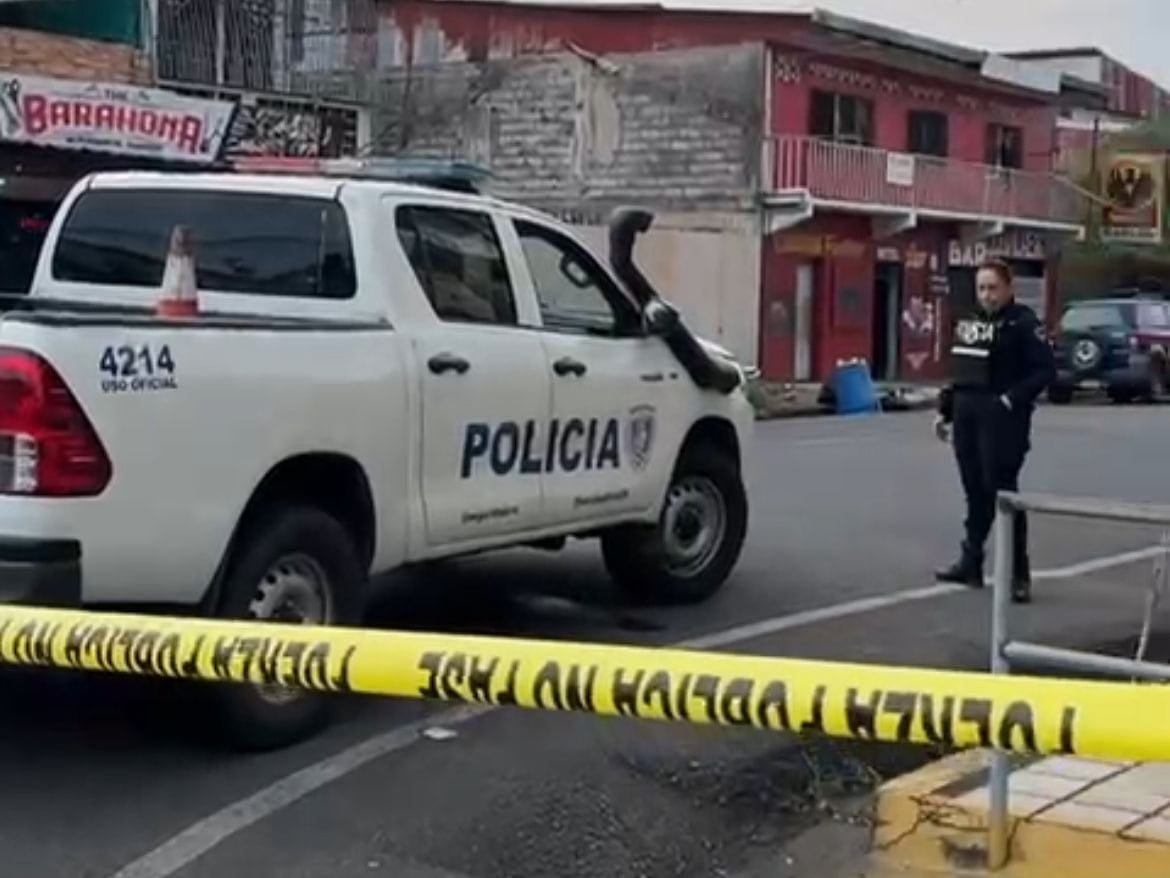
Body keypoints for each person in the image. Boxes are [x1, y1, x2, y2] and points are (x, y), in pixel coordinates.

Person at [934, 258, 1056, 603]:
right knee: (975, 492)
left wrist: (1009, 400)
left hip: (1004, 421)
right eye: (981, 288)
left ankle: (1019, 574)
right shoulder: (971, 321)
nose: (987, 295)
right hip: (967, 415)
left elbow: (1044, 372)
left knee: (1003, 494)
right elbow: (960, 369)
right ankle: (970, 563)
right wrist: (945, 411)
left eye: (993, 288)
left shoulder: (1023, 324)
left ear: (1008, 288)